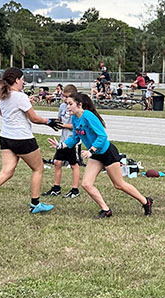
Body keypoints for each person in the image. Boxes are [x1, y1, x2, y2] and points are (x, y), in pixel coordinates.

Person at [0, 67, 62, 218]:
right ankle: (35, 204)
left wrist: (26, 100)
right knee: (38, 168)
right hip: (22, 138)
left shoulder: (3, 95)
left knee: (6, 171)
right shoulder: (20, 97)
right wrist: (49, 121)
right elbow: (34, 118)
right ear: (16, 80)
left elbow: (4, 112)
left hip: (6, 138)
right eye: (22, 79)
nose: (23, 81)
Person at [47, 91, 153, 219]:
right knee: (86, 184)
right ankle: (106, 210)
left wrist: (91, 150)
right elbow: (75, 137)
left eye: (70, 104)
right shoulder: (75, 118)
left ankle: (145, 201)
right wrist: (61, 146)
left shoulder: (88, 116)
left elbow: (102, 136)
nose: (68, 107)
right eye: (67, 104)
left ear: (79, 105)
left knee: (119, 185)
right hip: (96, 155)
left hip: (107, 153)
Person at [42, 84, 81, 199]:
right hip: (63, 139)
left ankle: (75, 189)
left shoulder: (77, 109)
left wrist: (64, 125)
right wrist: (57, 124)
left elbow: (77, 127)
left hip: (72, 140)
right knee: (57, 162)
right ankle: (56, 188)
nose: (65, 99)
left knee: (74, 165)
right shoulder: (62, 107)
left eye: (67, 97)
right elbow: (60, 120)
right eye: (64, 96)